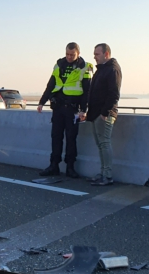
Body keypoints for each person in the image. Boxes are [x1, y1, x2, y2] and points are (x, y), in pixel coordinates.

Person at [37, 42, 93, 178]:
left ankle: (70, 167)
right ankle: (54, 166)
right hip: (58, 107)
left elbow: (87, 91)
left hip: (73, 109)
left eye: (72, 55)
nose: (69, 57)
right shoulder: (59, 65)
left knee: (71, 138)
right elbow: (51, 84)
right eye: (67, 54)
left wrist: (83, 110)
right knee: (56, 137)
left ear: (78, 53)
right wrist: (41, 102)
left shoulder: (85, 67)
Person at [86, 43, 122, 186]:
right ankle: (103, 173)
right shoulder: (101, 70)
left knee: (104, 143)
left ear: (106, 54)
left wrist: (105, 112)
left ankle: (107, 175)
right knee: (100, 144)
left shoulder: (112, 70)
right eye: (94, 54)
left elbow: (114, 94)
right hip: (96, 114)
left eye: (97, 54)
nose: (94, 57)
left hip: (104, 114)